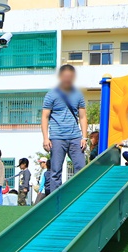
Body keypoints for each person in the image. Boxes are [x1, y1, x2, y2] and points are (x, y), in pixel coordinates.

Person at [42, 64, 88, 193]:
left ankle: (80, 195)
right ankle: (56, 200)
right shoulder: (51, 95)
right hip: (57, 138)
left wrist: (84, 137)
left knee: (81, 168)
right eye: (65, 76)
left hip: (76, 137)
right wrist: (46, 138)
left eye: (70, 76)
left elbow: (83, 116)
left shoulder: (78, 95)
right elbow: (45, 117)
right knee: (55, 171)